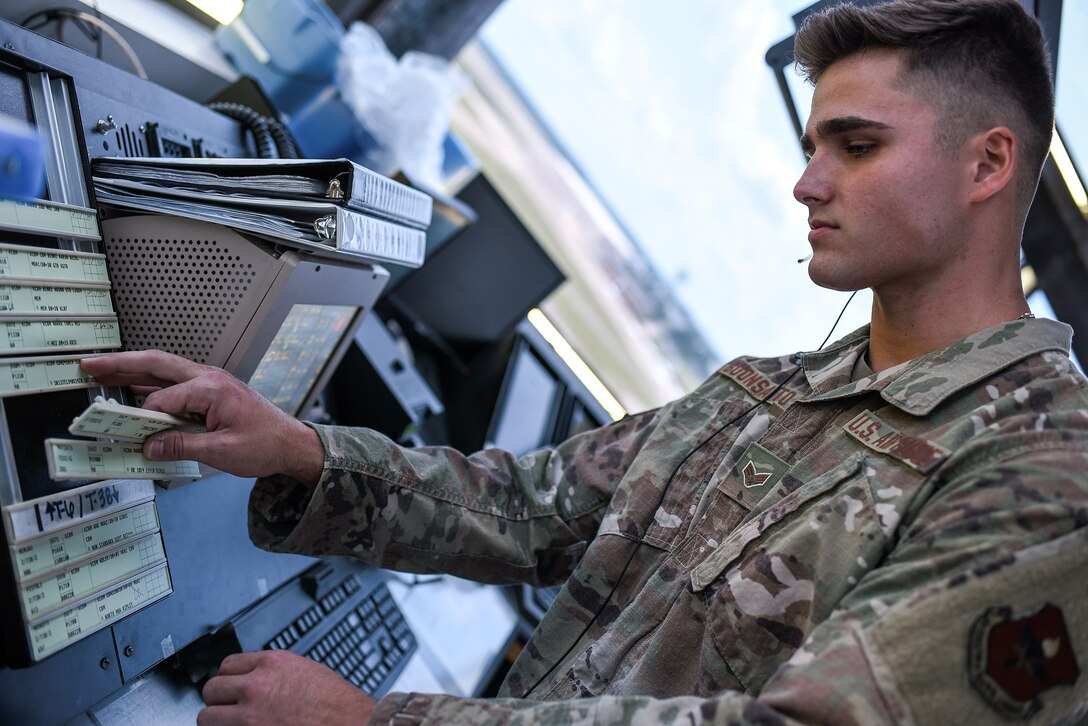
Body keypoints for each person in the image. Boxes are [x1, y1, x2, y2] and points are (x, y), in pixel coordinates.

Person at [82, 0, 1088, 723]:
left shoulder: (1044, 479)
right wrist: (298, 453)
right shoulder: (776, 391)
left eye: (855, 146)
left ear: (986, 164)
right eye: (814, 141)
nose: (804, 182)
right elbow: (533, 506)